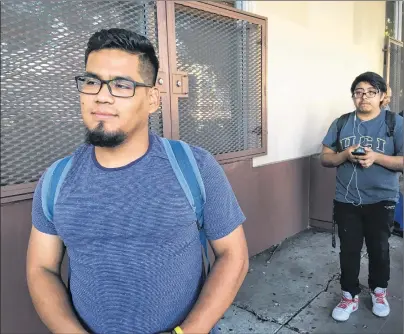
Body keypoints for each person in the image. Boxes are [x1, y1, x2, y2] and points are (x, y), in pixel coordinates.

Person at [26, 28, 249, 334]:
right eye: (91, 81)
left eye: (121, 85)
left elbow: (233, 255)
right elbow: (41, 268)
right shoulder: (56, 179)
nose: (101, 96)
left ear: (153, 99)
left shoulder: (193, 167)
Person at [320, 72, 403, 322]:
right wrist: (345, 154)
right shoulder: (342, 122)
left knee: (379, 249)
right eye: (358, 92)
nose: (363, 96)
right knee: (349, 251)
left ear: (382, 96)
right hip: (346, 199)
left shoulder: (394, 123)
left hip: (382, 200)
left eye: (370, 91)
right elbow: (325, 158)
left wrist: (376, 157)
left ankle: (379, 291)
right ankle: (349, 296)